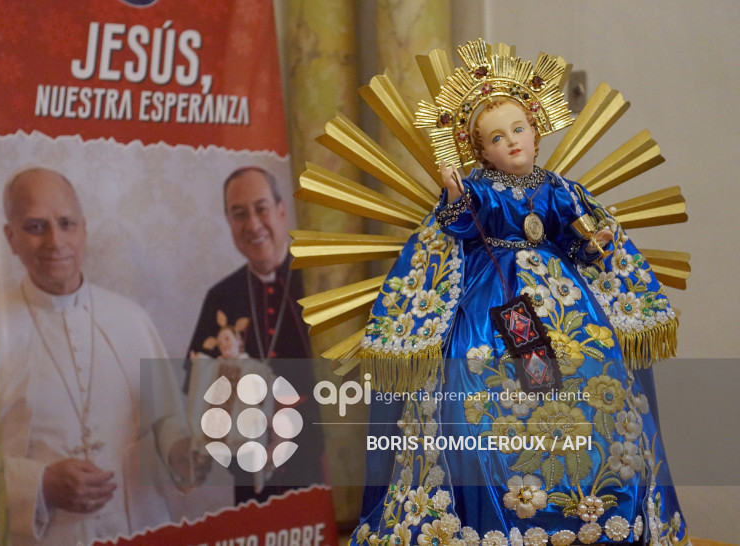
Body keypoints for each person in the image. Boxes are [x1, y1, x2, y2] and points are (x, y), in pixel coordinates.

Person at [352, 55, 688, 544]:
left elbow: (577, 239)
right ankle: (495, 520)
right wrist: (454, 199)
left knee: (594, 382)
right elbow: (463, 226)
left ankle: (596, 510)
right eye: (496, 137)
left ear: (535, 130)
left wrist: (595, 247)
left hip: (568, 303)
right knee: (481, 392)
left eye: (518, 128)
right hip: (495, 303)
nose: (511, 141)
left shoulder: (560, 189)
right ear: (483, 154)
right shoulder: (483, 190)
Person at [0, 167, 194, 545]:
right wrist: (40, 485)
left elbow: (174, 438)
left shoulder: (131, 319)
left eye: (66, 224)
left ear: (83, 229)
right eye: (36, 227)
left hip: (140, 528)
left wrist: (193, 447)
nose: (56, 241)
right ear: (11, 237)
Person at [184, 166, 324, 503]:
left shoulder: (322, 278)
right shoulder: (222, 298)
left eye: (261, 209)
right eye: (239, 214)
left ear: (280, 210)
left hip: (326, 471)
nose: (253, 224)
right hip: (253, 479)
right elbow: (195, 383)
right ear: (229, 224)